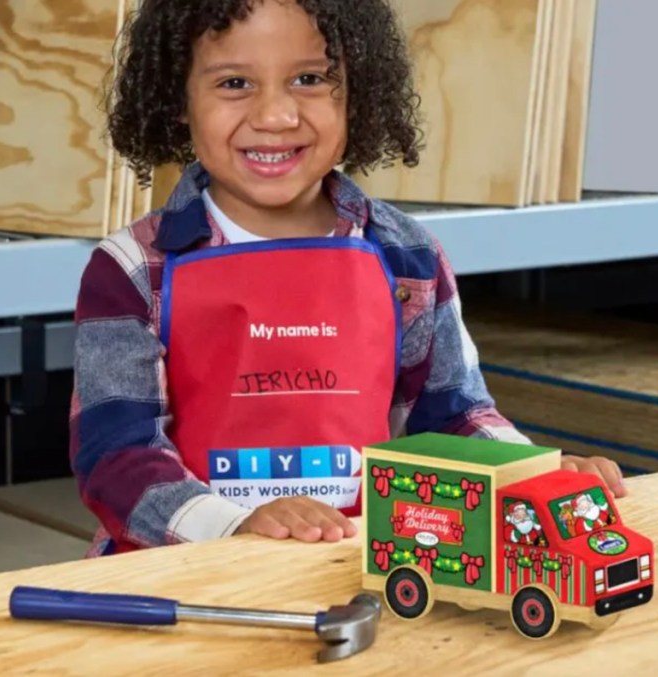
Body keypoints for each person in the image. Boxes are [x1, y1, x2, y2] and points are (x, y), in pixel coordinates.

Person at [70, 0, 626, 556]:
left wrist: (532, 474)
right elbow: (116, 456)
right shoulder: (134, 268)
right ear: (178, 102)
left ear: (358, 93)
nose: (276, 116)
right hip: (181, 576)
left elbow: (453, 418)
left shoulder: (406, 255)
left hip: (355, 564)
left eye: (309, 79)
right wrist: (235, 526)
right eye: (235, 82)